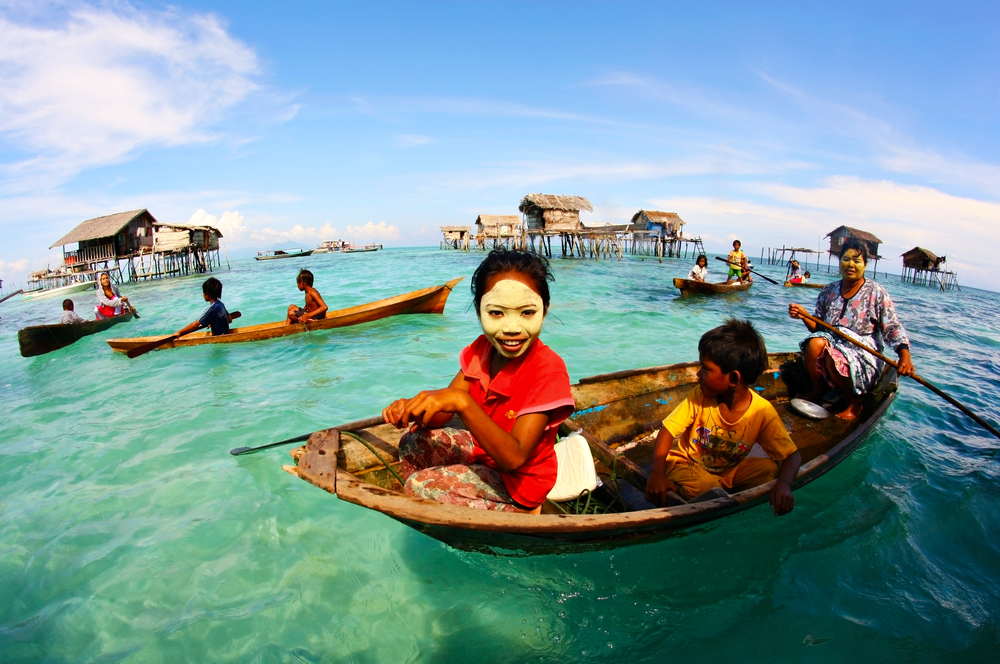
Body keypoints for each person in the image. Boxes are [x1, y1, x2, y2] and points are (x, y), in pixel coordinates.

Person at [382, 249, 575, 513]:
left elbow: (514, 458)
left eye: (527, 313)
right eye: (497, 313)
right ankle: (451, 507)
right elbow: (441, 414)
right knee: (412, 442)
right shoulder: (482, 348)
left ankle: (524, 512)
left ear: (545, 310)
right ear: (478, 310)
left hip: (519, 483)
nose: (511, 328)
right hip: (486, 455)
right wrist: (412, 407)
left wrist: (461, 401)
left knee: (420, 486)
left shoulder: (547, 370)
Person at [644, 319, 801, 515]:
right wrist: (656, 473)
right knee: (705, 486)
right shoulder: (700, 396)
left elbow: (791, 456)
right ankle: (718, 495)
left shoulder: (762, 411)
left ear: (733, 378)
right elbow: (668, 430)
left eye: (706, 369)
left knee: (769, 471)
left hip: (730, 472)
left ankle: (720, 494)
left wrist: (784, 485)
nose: (698, 375)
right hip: (688, 464)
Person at [788, 238, 915, 420]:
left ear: (865, 264)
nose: (850, 265)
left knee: (834, 357)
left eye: (857, 261)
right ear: (839, 261)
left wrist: (905, 355)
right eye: (846, 259)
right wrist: (804, 316)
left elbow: (892, 327)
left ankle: (855, 402)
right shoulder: (829, 291)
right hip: (832, 345)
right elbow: (818, 328)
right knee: (815, 343)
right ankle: (817, 391)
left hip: (863, 354)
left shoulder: (876, 292)